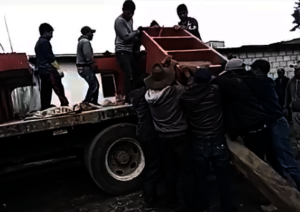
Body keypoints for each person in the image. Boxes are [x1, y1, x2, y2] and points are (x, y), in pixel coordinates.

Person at [248, 59, 300, 211]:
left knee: (286, 161)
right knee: (277, 161)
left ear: (257, 70)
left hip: (277, 124)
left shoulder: (263, 82)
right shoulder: (270, 82)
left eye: (252, 70)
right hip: (274, 123)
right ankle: (281, 196)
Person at [181, 68, 236, 212]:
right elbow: (217, 81)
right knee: (223, 178)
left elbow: (190, 88)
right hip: (217, 139)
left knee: (201, 178)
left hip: (198, 140)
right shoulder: (215, 91)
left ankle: (203, 206)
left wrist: (188, 76)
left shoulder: (185, 96)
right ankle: (227, 207)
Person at [144, 61, 196, 212]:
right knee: (186, 171)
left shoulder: (148, 95)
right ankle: (189, 203)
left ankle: (170, 201)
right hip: (179, 136)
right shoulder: (175, 91)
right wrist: (186, 75)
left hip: (162, 137)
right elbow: (191, 90)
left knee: (170, 171)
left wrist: (165, 65)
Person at [211, 59, 269, 161]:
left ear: (233, 72)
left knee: (255, 161)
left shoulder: (235, 83)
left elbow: (216, 80)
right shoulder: (251, 79)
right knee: (259, 158)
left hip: (251, 130)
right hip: (260, 126)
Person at [128, 74, 162, 208]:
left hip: (141, 131)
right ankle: (150, 198)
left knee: (149, 162)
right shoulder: (146, 95)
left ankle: (149, 194)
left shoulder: (133, 95)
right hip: (151, 132)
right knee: (154, 165)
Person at [34, 23, 69, 110]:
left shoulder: (38, 43)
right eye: (50, 33)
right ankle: (65, 104)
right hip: (48, 69)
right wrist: (58, 69)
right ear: (45, 32)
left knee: (46, 89)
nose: (51, 36)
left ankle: (45, 106)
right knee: (57, 86)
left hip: (41, 70)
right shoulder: (45, 42)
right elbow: (50, 57)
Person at [114, 0, 140, 103]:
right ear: (123, 10)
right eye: (128, 13)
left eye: (132, 13)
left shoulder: (130, 20)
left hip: (129, 51)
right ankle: (127, 97)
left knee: (134, 73)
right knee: (128, 73)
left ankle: (132, 95)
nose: (130, 15)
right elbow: (125, 37)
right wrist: (137, 32)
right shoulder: (119, 21)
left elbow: (131, 34)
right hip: (122, 51)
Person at [76, 26, 100, 107]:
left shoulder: (81, 41)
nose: (92, 35)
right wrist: (92, 64)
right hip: (85, 67)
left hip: (82, 67)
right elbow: (88, 55)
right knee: (94, 85)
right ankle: (88, 102)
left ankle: (92, 102)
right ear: (87, 33)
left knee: (93, 84)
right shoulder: (85, 42)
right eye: (91, 33)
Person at [285, 62, 300, 151]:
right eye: (295, 70)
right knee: (298, 132)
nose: (295, 72)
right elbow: (287, 95)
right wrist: (286, 106)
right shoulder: (291, 82)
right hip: (295, 111)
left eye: (297, 70)